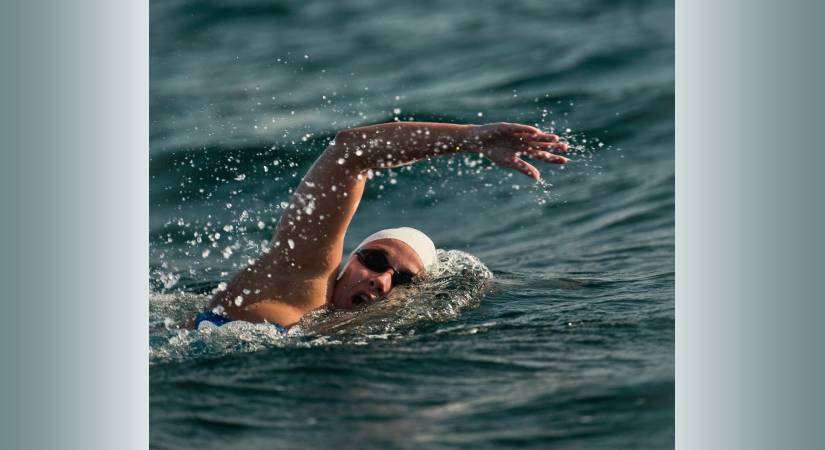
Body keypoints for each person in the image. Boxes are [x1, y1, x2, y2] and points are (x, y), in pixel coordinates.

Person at [196, 121, 569, 330]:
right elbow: (349, 152)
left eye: (403, 280)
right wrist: (470, 140)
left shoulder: (371, 336)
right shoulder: (300, 283)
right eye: (374, 261)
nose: (381, 281)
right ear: (349, 260)